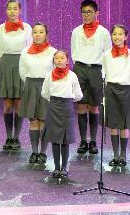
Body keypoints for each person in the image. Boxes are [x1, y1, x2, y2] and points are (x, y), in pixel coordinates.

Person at [70, 0, 110, 155]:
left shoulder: (103, 32)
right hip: (80, 68)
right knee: (81, 106)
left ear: (96, 13)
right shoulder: (76, 31)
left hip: (96, 70)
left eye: (90, 12)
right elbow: (73, 52)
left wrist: (104, 75)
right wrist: (78, 67)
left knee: (94, 106)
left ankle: (93, 141)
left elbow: (107, 54)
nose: (86, 15)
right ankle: (82, 141)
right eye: (84, 12)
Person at [0, 0, 32, 151]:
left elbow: (29, 48)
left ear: (20, 10)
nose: (12, 11)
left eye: (15, 8)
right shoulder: (0, 28)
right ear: (6, 10)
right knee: (8, 104)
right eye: (9, 8)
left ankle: (16, 137)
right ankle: (8, 137)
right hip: (6, 64)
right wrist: (4, 63)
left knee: (19, 103)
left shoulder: (27, 28)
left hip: (21, 64)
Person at [40, 49, 83, 180]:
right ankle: (56, 167)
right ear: (53, 60)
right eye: (56, 58)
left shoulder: (72, 75)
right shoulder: (49, 75)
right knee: (55, 139)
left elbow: (78, 94)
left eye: (62, 58)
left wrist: (68, 100)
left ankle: (64, 168)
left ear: (67, 60)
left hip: (66, 108)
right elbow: (44, 93)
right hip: (53, 108)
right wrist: (55, 101)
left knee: (65, 140)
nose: (59, 60)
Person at [101, 24, 130, 168]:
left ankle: (123, 155)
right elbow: (103, 72)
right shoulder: (106, 55)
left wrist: (127, 84)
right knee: (113, 124)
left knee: (123, 124)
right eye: (114, 34)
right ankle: (115, 155)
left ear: (126, 36)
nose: (117, 37)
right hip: (111, 90)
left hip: (125, 90)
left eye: (120, 34)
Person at [19, 22, 56, 165]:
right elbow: (22, 71)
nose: (38, 35)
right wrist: (30, 84)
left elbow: (55, 71)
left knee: (44, 121)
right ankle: (34, 151)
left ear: (46, 34)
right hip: (31, 86)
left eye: (41, 32)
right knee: (33, 121)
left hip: (46, 88)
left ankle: (43, 152)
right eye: (35, 32)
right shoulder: (25, 51)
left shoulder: (52, 52)